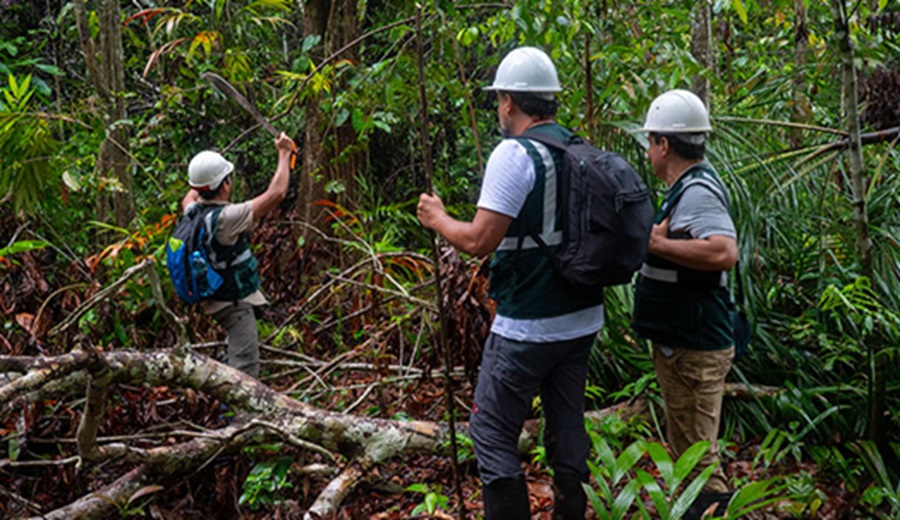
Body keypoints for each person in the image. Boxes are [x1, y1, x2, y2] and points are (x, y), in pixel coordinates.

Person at [417, 47, 603, 520]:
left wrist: (438, 219)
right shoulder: (577, 149)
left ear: (508, 101)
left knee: (492, 433)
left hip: (528, 325)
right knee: (566, 426)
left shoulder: (514, 154)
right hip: (582, 320)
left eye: (499, 100)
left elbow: (479, 240)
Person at [632, 89, 738, 519]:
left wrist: (658, 243)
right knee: (690, 452)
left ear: (664, 145)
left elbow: (722, 252)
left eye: (650, 142)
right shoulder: (684, 189)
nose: (648, 152)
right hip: (685, 345)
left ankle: (711, 512)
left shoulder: (696, 191)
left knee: (698, 460)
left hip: (695, 348)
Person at [181, 132, 295, 378]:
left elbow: (191, 193)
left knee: (234, 355)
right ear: (225, 184)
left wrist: (202, 173)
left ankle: (223, 396)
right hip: (232, 304)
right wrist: (284, 154)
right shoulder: (227, 219)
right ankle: (239, 416)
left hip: (214, 298)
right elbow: (276, 194)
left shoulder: (192, 211)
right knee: (246, 371)